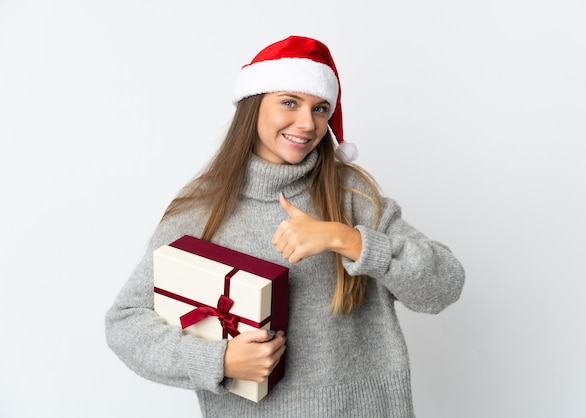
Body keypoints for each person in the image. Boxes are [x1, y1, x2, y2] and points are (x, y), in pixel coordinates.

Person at [105, 35, 465, 418]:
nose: (308, 123)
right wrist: (219, 360)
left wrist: (348, 240)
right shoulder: (202, 207)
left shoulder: (351, 194)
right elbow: (125, 323)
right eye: (289, 103)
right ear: (254, 104)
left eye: (320, 108)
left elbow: (445, 285)